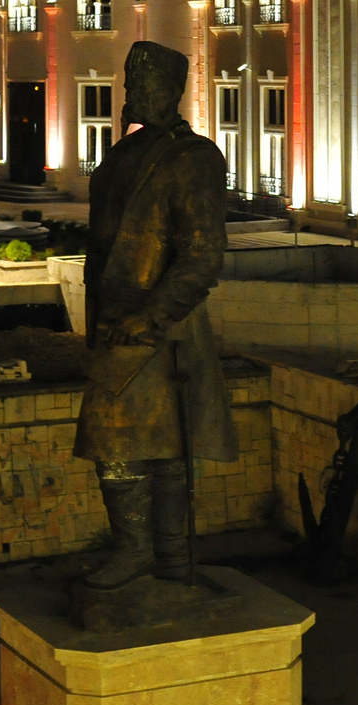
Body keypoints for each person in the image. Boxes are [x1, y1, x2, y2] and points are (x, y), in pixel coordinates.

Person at [73, 40, 239, 589]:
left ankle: (146, 552)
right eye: (128, 82)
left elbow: (202, 256)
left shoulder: (193, 160)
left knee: (128, 442)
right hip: (116, 323)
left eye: (142, 85)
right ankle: (157, 555)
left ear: (171, 92)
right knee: (148, 443)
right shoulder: (121, 157)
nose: (129, 93)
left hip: (157, 329)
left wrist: (151, 317)